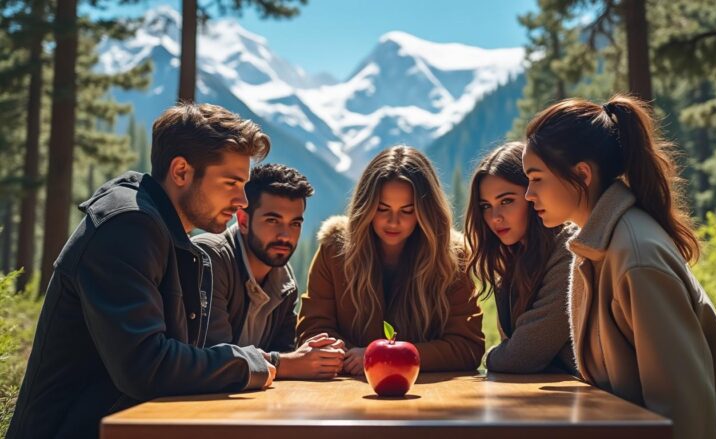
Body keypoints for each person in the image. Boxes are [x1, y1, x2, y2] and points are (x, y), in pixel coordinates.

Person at [9, 103, 277, 439]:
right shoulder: (128, 227)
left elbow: (184, 357)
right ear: (181, 171)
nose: (243, 201)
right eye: (231, 183)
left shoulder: (166, 234)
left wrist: (267, 360)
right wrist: (245, 365)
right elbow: (145, 367)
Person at [522, 95, 716, 439]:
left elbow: (685, 416)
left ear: (582, 174)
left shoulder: (636, 258)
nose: (529, 194)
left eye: (536, 178)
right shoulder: (593, 246)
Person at [297, 145, 485, 374]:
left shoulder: (453, 259)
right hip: (345, 393)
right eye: (382, 208)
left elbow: (467, 347)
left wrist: (384, 357)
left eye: (407, 211)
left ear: (425, 211)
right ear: (365, 207)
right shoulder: (334, 251)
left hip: (428, 398)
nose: (393, 222)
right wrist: (346, 355)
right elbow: (313, 331)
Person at [194, 164, 345, 380]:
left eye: (295, 224)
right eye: (272, 221)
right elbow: (212, 355)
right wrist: (287, 363)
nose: (285, 236)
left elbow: (284, 349)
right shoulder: (210, 258)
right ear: (243, 221)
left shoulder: (284, 279)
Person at [465, 142, 575, 374]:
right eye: (486, 206)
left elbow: (522, 355)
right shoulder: (513, 261)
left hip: (601, 399)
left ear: (533, 196)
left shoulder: (568, 250)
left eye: (506, 201)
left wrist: (490, 356)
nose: (495, 217)